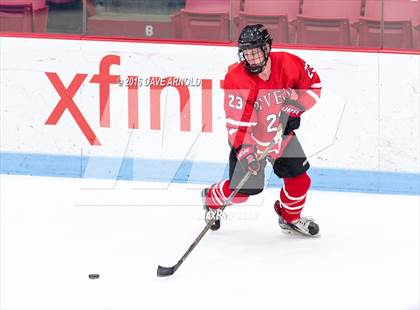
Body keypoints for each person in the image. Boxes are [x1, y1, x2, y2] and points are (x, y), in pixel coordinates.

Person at [201, 24, 322, 236]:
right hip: (251, 142)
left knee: (300, 181)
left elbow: (314, 85)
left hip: (281, 137)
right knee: (244, 192)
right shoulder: (236, 78)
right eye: (246, 54)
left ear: (266, 49)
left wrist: (297, 108)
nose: (251, 59)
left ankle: (290, 217)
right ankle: (211, 198)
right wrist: (247, 153)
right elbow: (237, 125)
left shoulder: (288, 63)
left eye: (255, 53)